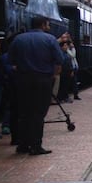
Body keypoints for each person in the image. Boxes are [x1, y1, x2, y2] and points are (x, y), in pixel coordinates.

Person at [8, 17, 65, 155]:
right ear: (44, 25)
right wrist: (53, 75)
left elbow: (11, 60)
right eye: (48, 24)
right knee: (38, 114)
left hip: (22, 80)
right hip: (42, 80)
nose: (49, 27)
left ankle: (22, 145)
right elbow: (59, 60)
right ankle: (35, 145)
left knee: (23, 113)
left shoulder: (19, 39)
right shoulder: (50, 39)